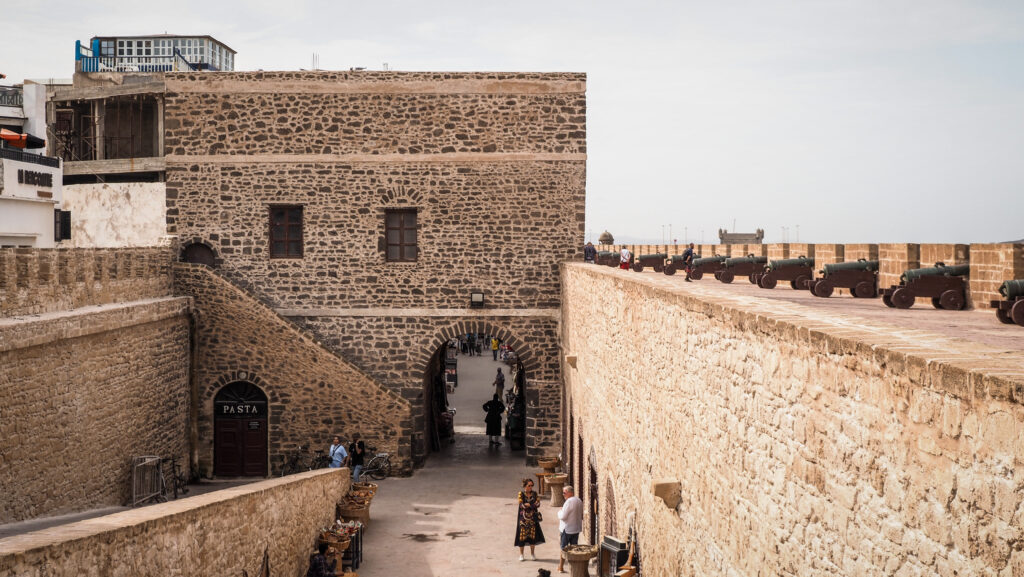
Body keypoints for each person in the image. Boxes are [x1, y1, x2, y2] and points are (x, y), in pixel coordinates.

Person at [514, 478, 545, 560]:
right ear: (525, 486)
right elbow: (521, 505)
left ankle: (532, 554)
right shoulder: (521, 494)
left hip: (532, 519)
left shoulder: (535, 494)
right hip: (523, 519)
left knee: (532, 537)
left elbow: (538, 504)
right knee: (522, 537)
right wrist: (531, 505)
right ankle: (521, 554)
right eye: (529, 485)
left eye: (532, 485)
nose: (531, 487)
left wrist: (529, 505)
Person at [556, 485, 584, 573]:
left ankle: (561, 567)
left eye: (564, 493)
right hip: (576, 529)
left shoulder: (568, 502)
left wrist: (559, 512)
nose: (563, 495)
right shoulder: (579, 500)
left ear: (570, 492)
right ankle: (574, 569)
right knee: (573, 549)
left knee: (563, 548)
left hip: (567, 529)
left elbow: (563, 516)